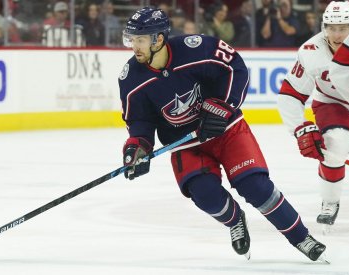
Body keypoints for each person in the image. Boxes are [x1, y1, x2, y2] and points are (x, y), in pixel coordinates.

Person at [119, 6, 327, 262]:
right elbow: (139, 120)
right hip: (185, 144)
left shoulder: (194, 49)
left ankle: (301, 237)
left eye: (140, 40)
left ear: (158, 39)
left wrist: (222, 106)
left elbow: (235, 67)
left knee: (256, 187)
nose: (134, 46)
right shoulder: (130, 79)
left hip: (227, 131)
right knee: (205, 194)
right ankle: (235, 220)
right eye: (132, 40)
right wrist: (137, 148)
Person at [277, 1, 349, 233]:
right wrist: (299, 128)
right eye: (332, 27)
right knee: (335, 145)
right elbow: (290, 94)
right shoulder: (311, 52)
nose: (337, 34)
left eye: (344, 28)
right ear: (324, 27)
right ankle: (330, 201)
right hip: (334, 103)